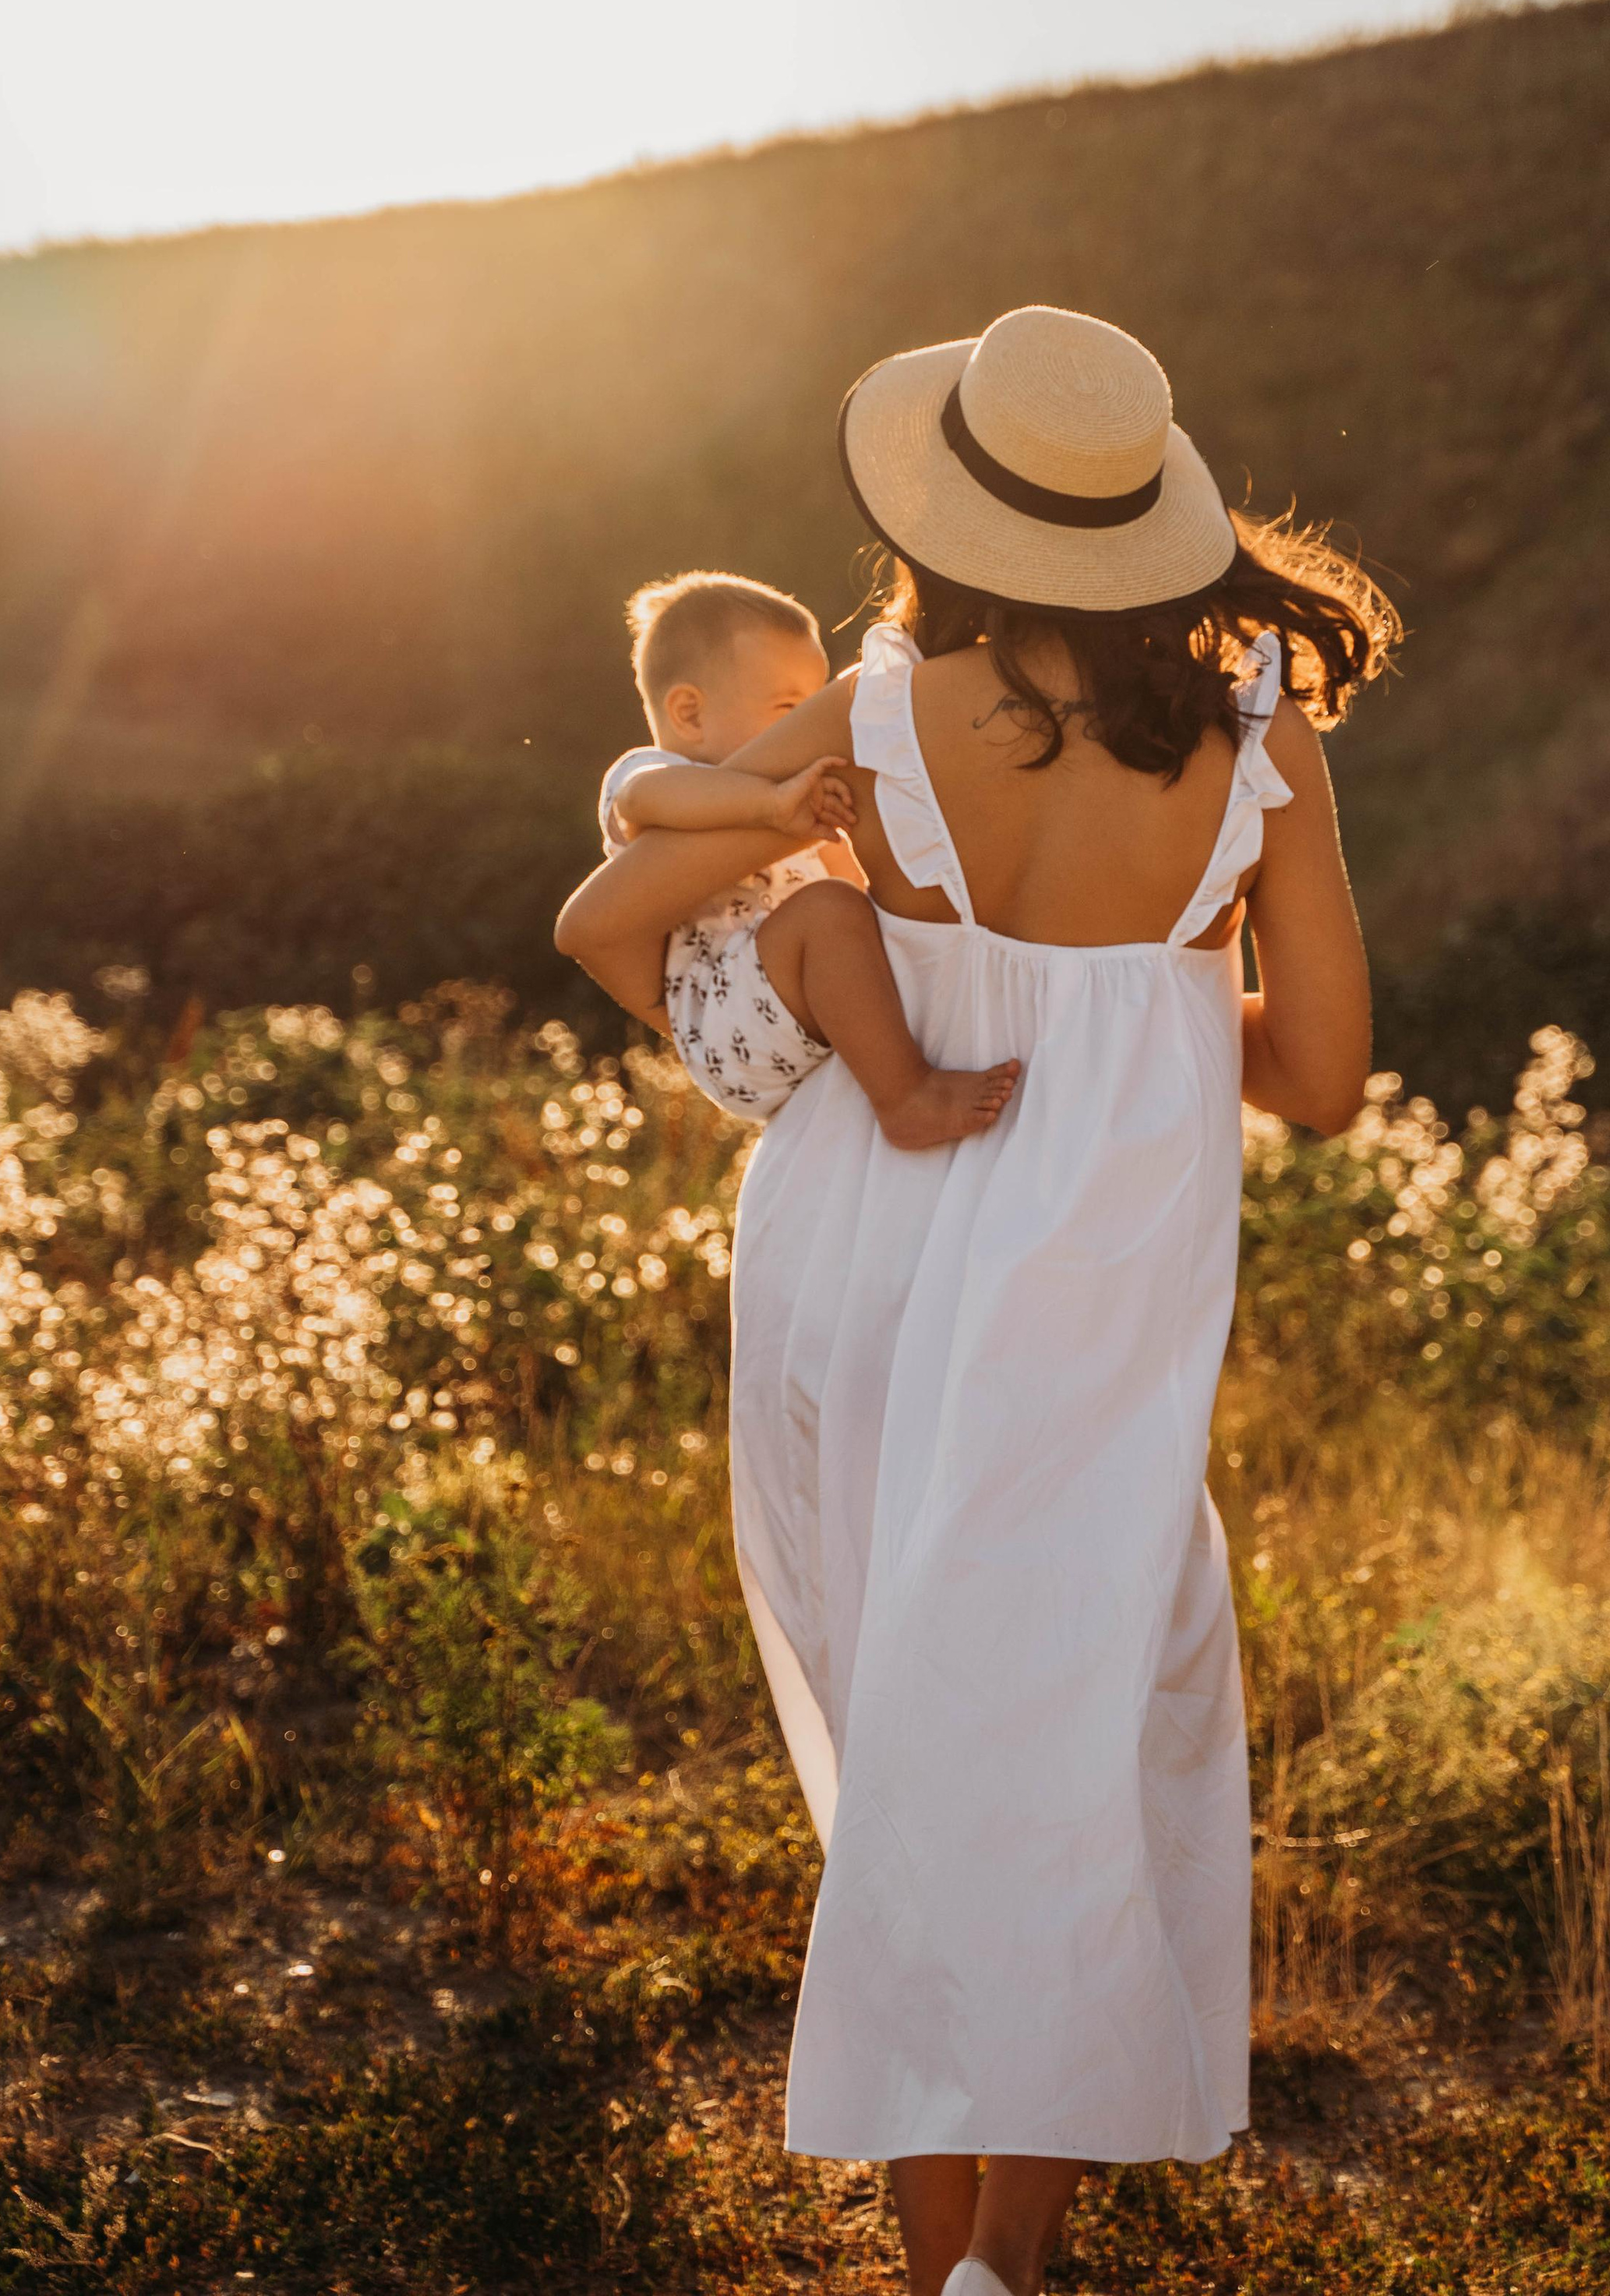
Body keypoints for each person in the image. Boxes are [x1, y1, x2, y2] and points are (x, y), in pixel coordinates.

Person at [556, 306, 1395, 2296]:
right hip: (1087, 1302)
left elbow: (646, 848)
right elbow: (1325, 1083)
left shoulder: (871, 710)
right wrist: (1151, 1003)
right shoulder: (1262, 731)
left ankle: (941, 2250)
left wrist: (837, 876)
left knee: (907, 1726)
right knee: (1082, 1727)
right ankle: (1003, 2260)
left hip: (859, 1240)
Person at [595, 568, 1019, 1145]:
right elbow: (639, 802)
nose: (806, 725)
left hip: (781, 994)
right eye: (788, 708)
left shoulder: (782, 800)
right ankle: (906, 1099)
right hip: (727, 1018)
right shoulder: (656, 774)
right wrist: (769, 804)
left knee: (857, 910)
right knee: (829, 910)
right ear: (689, 715)